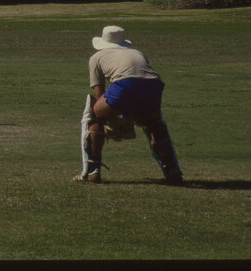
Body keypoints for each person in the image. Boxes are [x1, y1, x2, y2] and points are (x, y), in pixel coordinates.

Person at [74, 25, 183, 185]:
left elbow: (100, 96)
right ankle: (172, 170)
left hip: (126, 85)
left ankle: (91, 170)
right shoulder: (137, 53)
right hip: (154, 85)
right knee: (154, 124)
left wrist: (112, 120)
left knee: (94, 116)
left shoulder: (96, 57)